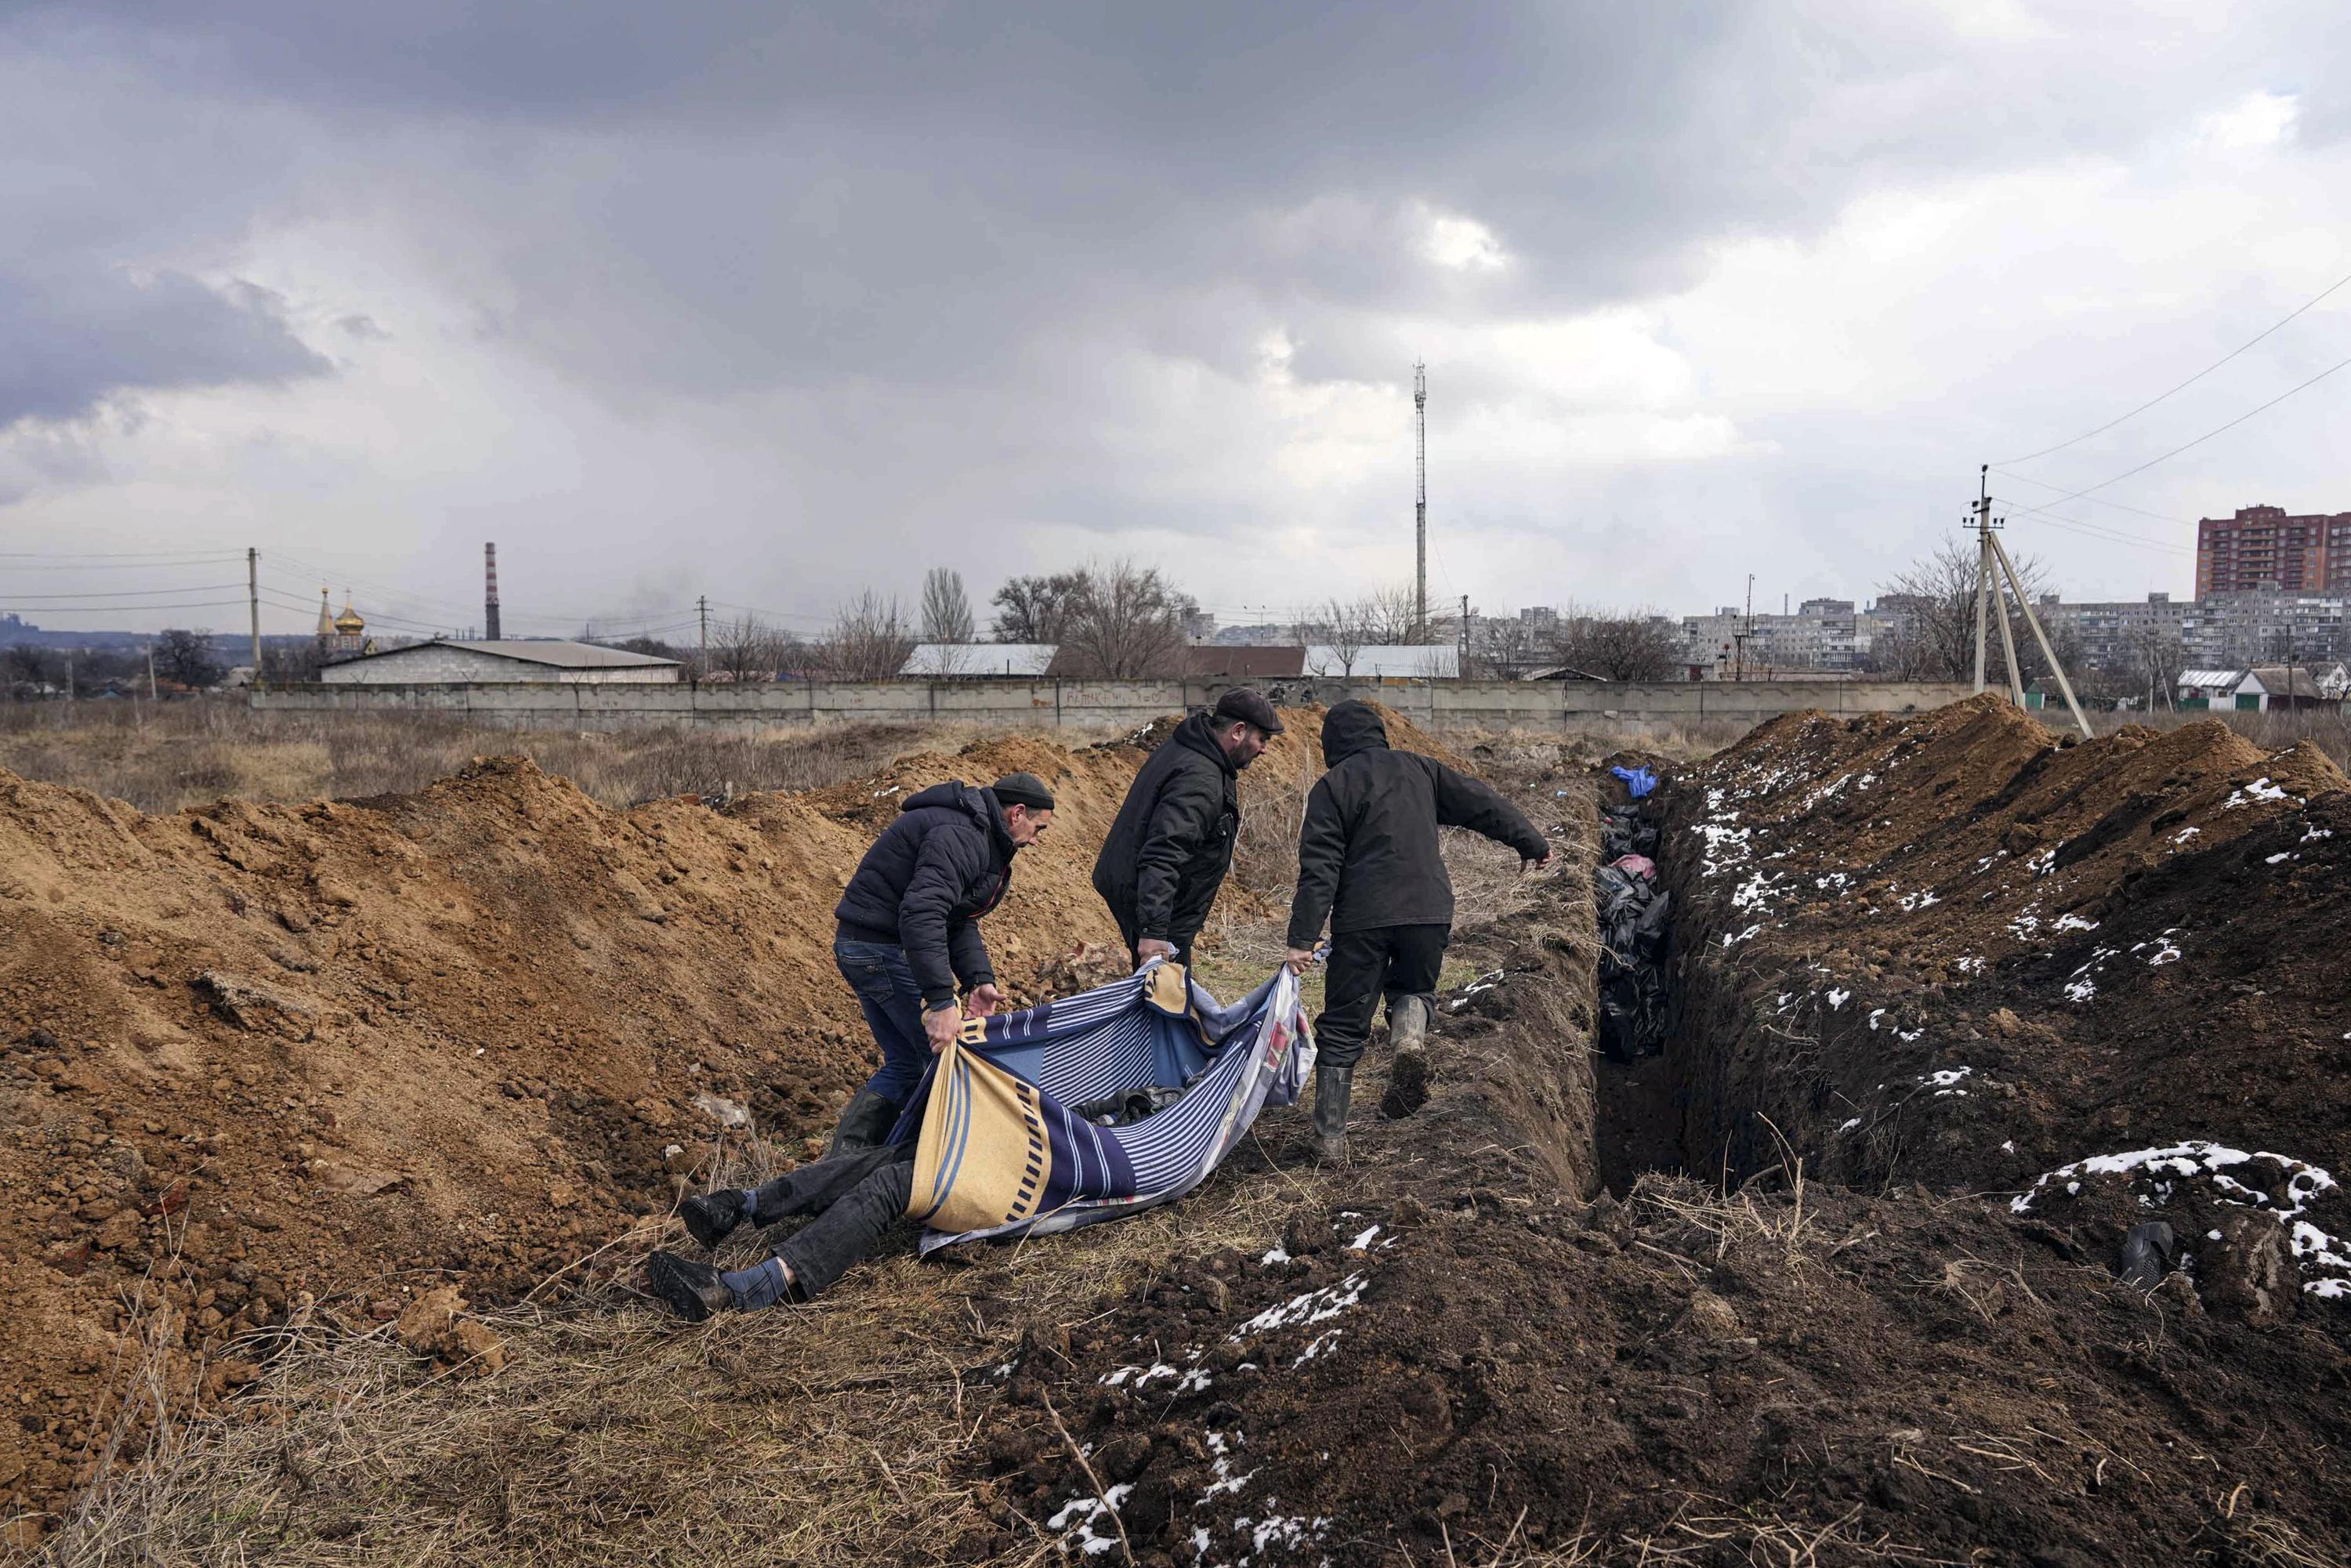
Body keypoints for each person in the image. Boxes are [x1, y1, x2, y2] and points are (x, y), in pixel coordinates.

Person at [1283, 701, 1548, 1161]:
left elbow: (1319, 870)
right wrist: (1530, 840)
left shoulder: (1332, 787)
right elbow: (1481, 804)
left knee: (1345, 1025)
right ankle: (1408, 1039)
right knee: (1415, 988)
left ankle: (1329, 1140)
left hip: (1364, 918)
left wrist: (1302, 939)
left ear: (1332, 745)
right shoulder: (1420, 769)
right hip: (1428, 910)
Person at [819, 771, 1056, 1155]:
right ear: (1017, 813)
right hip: (881, 950)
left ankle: (845, 1163)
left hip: (863, 946)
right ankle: (927, 1163)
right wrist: (942, 1002)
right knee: (945, 1061)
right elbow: (923, 913)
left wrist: (978, 978)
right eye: (1038, 828)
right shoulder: (962, 835)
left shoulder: (980, 835)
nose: (1037, 839)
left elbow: (956, 916)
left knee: (906, 1062)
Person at [1092, 687, 1282, 970]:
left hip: (1151, 896)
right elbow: (1165, 851)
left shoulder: (1194, 750)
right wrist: (1155, 933)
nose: (1265, 749)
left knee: (1170, 992)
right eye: (1262, 739)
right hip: (1156, 903)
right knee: (1167, 996)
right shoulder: (1200, 778)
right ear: (1238, 731)